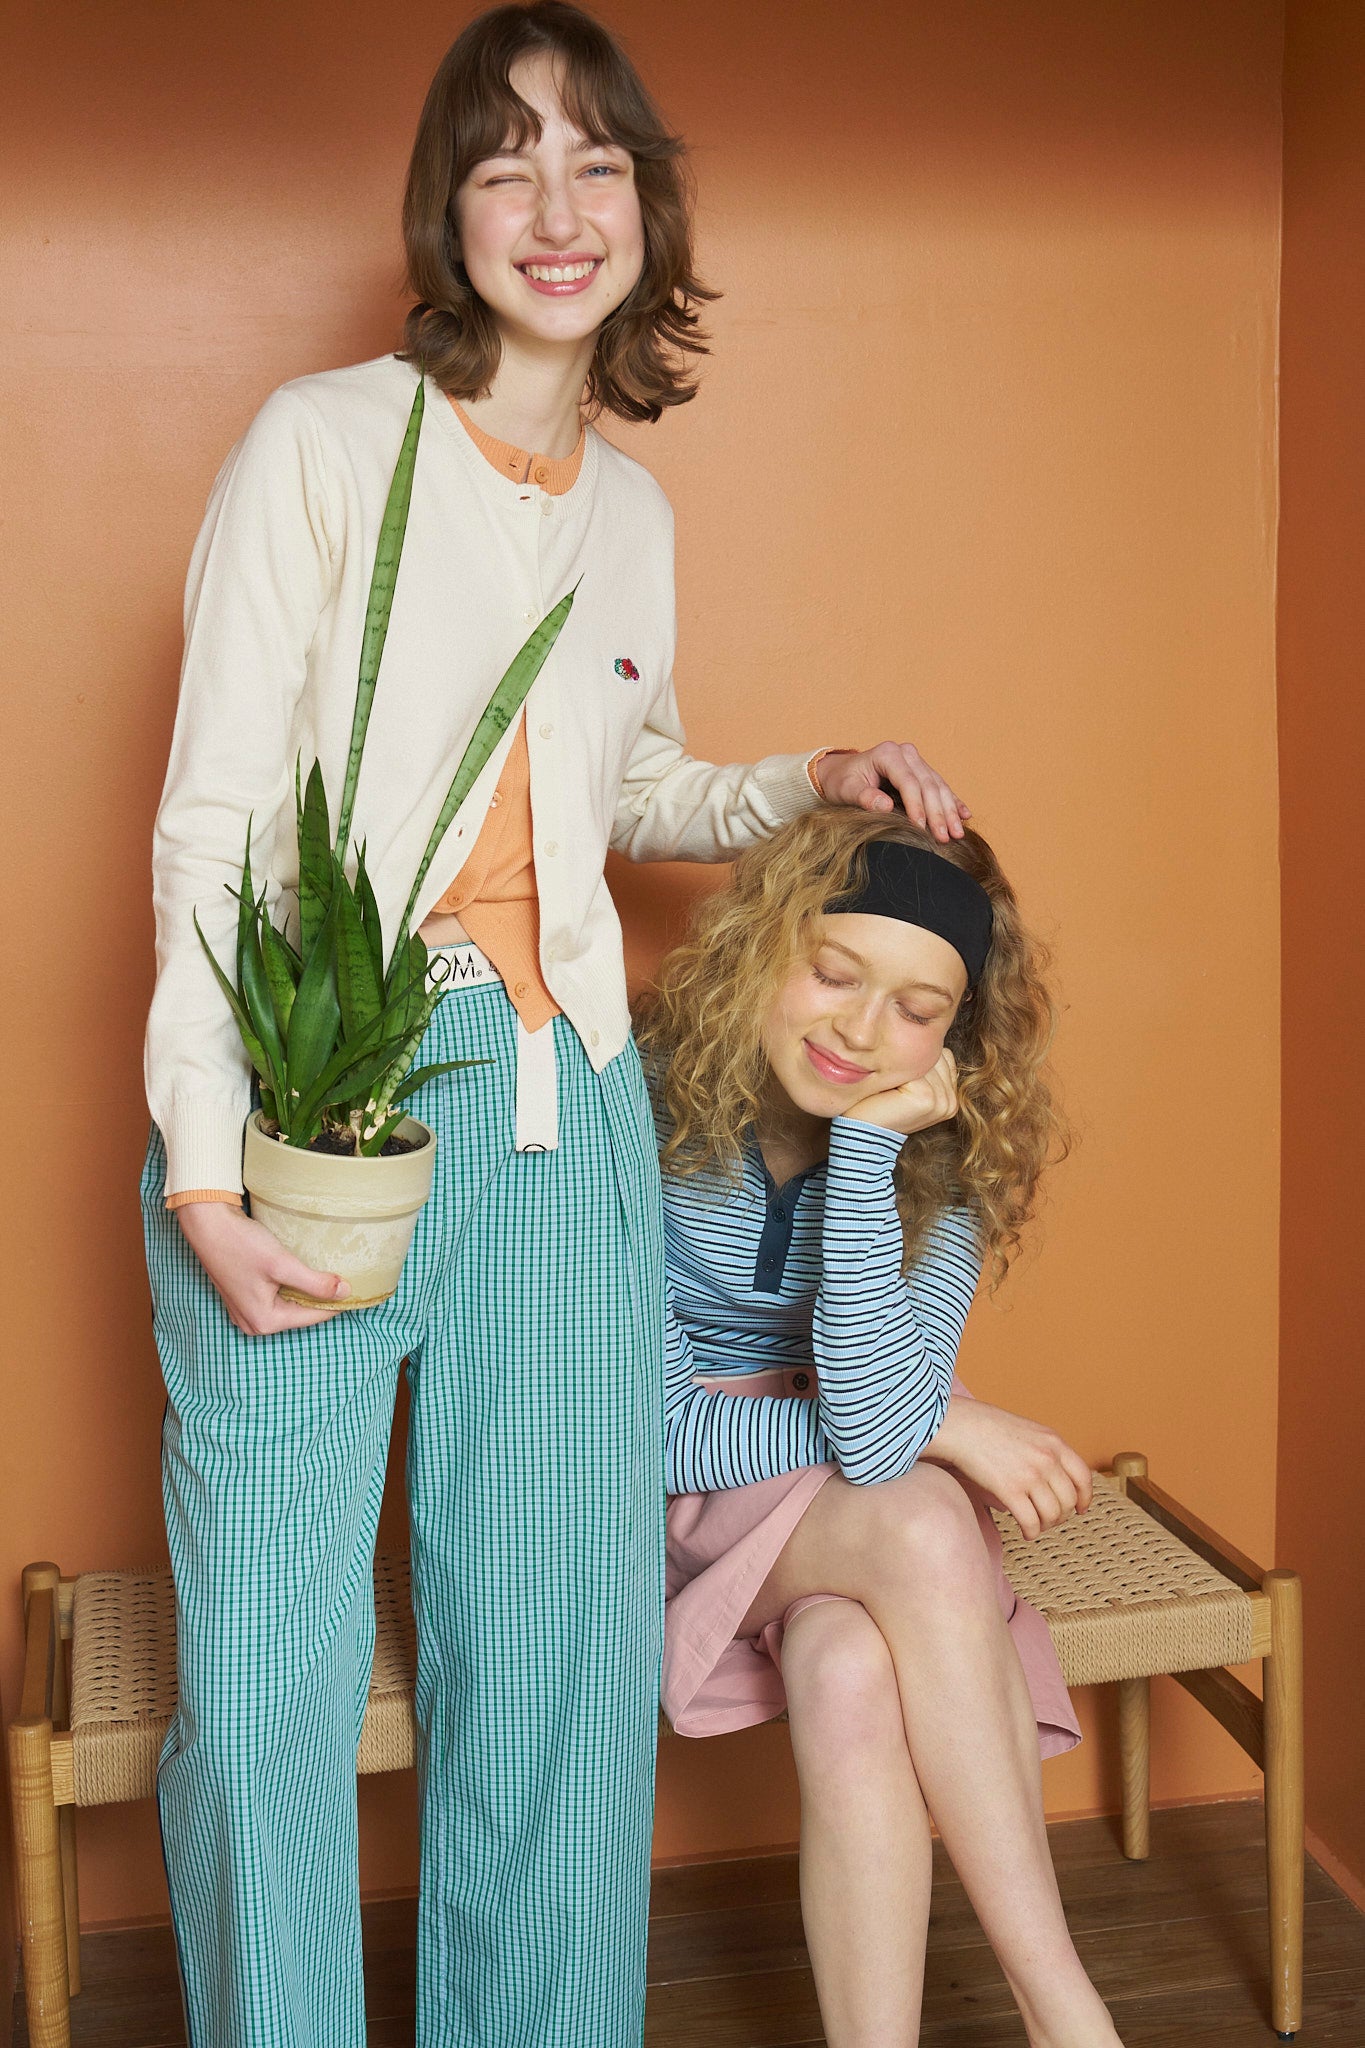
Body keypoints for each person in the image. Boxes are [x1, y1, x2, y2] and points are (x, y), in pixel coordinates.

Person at [140, 6, 970, 2044]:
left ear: (648, 209)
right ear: (449, 210)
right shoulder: (321, 444)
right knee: (259, 1692)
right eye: (506, 163)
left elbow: (624, 784)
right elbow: (217, 818)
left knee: (552, 1681)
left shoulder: (633, 515)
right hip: (321, 1090)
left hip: (556, 1089)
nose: (556, 205)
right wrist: (203, 1159)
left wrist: (799, 776)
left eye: (598, 161)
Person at [637, 804, 1125, 2048]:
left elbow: (876, 1422)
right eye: (834, 971)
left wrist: (864, 1156)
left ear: (954, 1034)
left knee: (847, 1661)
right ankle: (1065, 2010)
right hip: (665, 1511)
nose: (861, 1030)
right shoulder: (632, 1113)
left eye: (915, 1007)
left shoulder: (940, 1166)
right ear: (761, 949)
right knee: (918, 1515)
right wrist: (944, 1424)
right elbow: (660, 1439)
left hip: (856, 1509)